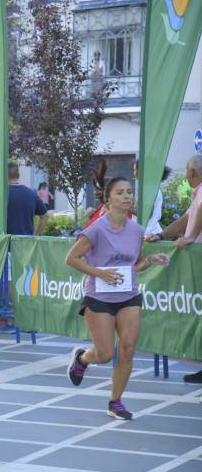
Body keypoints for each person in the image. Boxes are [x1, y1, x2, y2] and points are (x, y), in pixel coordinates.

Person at [65, 177, 170, 420]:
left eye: (129, 192)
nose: (126, 196)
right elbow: (71, 259)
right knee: (105, 355)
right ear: (108, 199)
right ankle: (82, 357)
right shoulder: (97, 229)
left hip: (129, 295)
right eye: (120, 192)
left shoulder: (137, 229)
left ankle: (116, 402)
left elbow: (136, 264)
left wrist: (152, 261)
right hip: (99, 296)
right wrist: (100, 272)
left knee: (127, 349)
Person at [145, 155, 202, 385]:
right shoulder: (197, 192)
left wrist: (191, 236)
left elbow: (192, 223)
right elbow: (186, 218)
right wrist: (161, 235)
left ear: (191, 172)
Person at [0, 163, 49, 235]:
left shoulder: (1, 195)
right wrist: (36, 236)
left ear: (3, 175)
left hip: (6, 242)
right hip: (26, 243)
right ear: (19, 175)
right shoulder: (31, 193)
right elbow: (45, 216)